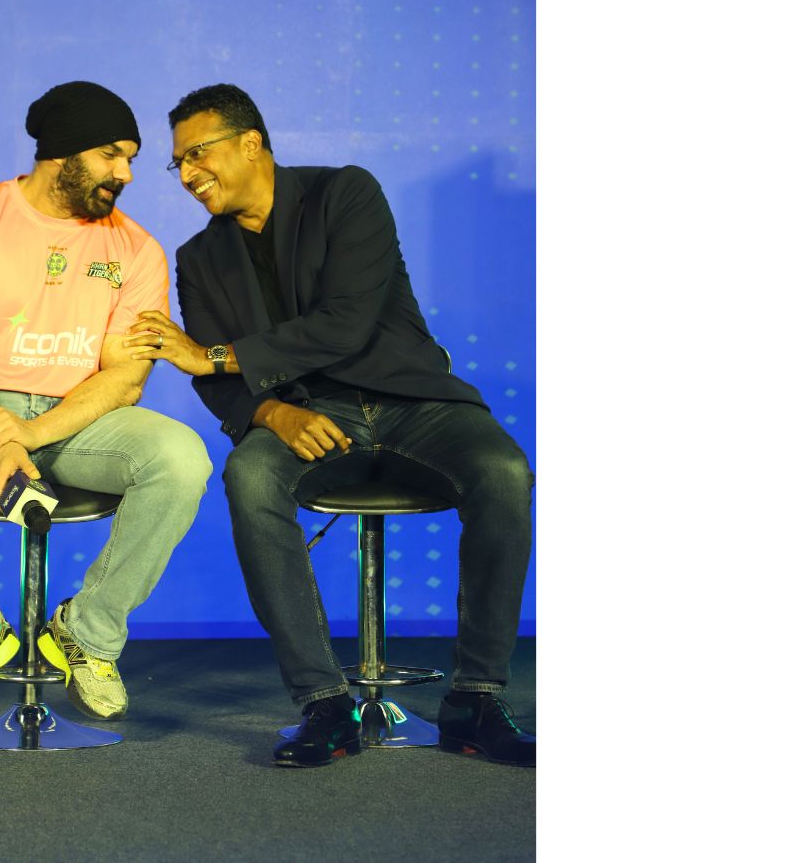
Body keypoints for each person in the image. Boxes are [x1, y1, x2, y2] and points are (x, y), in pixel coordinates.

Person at [126, 83, 535, 767]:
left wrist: (216, 355)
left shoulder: (345, 193)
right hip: (307, 416)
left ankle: (475, 699)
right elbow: (214, 382)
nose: (187, 173)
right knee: (250, 474)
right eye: (179, 163)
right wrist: (270, 411)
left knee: (504, 471)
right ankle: (323, 703)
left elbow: (343, 324)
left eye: (198, 153)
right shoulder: (197, 257)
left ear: (250, 143)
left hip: (412, 399)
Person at [0, 81, 212, 722]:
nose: (126, 174)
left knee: (181, 457)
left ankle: (89, 634)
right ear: (61, 152)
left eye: (131, 158)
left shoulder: (137, 249)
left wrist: (27, 435)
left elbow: (124, 378)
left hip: (82, 418)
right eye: (111, 154)